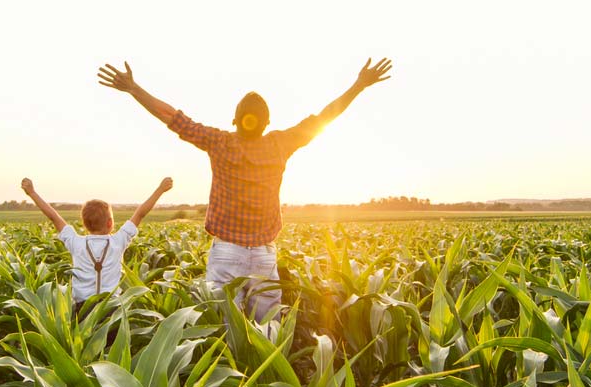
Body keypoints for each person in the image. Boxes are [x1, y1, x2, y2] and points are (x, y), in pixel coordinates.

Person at [97, 58, 393, 321]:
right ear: (267, 124)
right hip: (264, 256)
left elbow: (172, 117)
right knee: (268, 331)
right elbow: (324, 117)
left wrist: (134, 89)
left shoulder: (219, 142)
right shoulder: (280, 144)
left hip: (226, 253)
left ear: (235, 121)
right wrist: (358, 85)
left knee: (226, 331)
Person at [21, 176, 174, 313]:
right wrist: (160, 190)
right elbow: (140, 213)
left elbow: (54, 217)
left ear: (84, 223)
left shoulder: (76, 243)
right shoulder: (118, 241)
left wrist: (32, 193)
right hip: (112, 307)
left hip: (83, 309)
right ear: (109, 223)